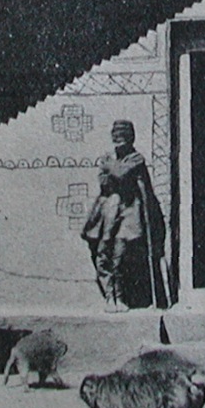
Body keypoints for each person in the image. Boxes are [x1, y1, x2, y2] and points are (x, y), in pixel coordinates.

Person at [81, 120, 170, 312]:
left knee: (119, 256)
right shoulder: (109, 158)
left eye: (123, 136)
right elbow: (104, 182)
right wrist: (110, 171)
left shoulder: (136, 158)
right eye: (116, 136)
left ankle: (120, 297)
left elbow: (120, 174)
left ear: (131, 138)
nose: (119, 140)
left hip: (129, 214)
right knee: (104, 253)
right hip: (109, 213)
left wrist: (109, 167)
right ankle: (109, 296)